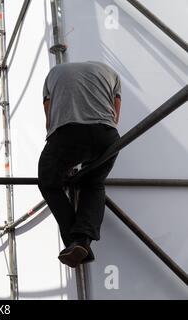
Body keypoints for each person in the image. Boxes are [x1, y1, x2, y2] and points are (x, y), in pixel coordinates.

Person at [38, 61, 121, 268]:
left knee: (49, 182)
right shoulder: (110, 72)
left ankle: (73, 241)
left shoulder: (53, 74)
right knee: (94, 183)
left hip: (68, 133)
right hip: (107, 136)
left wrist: (61, 156)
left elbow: (49, 116)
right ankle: (83, 240)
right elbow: (115, 113)